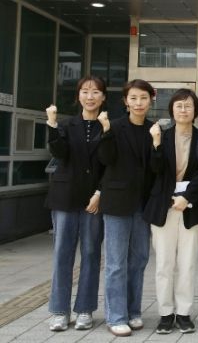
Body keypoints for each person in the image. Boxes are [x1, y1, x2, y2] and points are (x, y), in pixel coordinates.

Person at [143, 89, 198, 335]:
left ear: (196, 111)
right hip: (163, 207)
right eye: (179, 106)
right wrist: (155, 144)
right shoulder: (160, 135)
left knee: (187, 264)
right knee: (164, 264)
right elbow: (154, 170)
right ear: (172, 110)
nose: (183, 110)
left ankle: (183, 313)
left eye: (188, 106)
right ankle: (165, 314)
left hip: (191, 208)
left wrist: (186, 197)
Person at [44, 76, 107, 332]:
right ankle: (59, 311)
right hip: (66, 197)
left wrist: (100, 192)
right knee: (62, 253)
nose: (90, 96)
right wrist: (51, 123)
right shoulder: (66, 125)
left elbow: (110, 163)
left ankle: (85, 309)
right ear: (79, 95)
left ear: (103, 97)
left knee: (91, 254)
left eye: (95, 92)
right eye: (85, 91)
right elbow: (59, 153)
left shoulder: (108, 126)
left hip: (94, 200)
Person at [97, 79, 157, 337]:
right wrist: (106, 131)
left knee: (139, 260)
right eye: (133, 98)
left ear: (151, 100)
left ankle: (133, 311)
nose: (138, 103)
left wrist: (157, 144)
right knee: (116, 263)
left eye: (143, 98)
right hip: (117, 203)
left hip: (143, 204)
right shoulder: (114, 126)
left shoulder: (154, 129)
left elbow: (156, 168)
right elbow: (105, 159)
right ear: (125, 101)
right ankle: (116, 316)